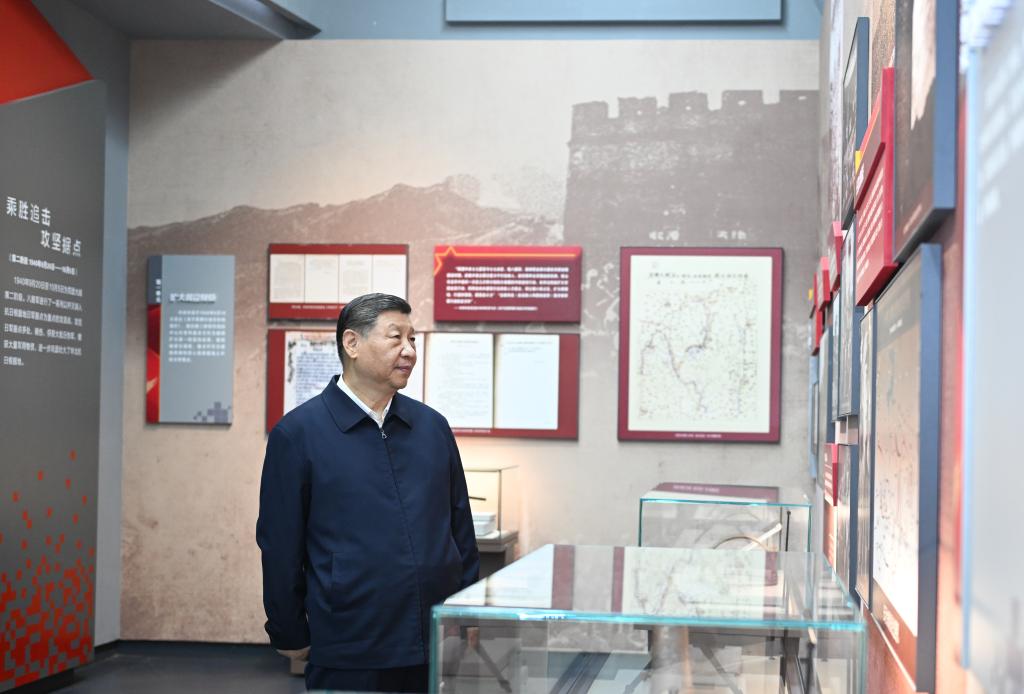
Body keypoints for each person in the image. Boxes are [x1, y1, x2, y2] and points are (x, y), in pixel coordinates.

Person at [257, 293, 479, 693]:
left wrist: (467, 613)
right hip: (350, 644)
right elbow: (280, 546)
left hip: (434, 639)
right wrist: (288, 631)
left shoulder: (432, 427)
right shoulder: (299, 434)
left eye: (413, 339)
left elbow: (460, 528)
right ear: (352, 343)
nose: (409, 351)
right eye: (396, 337)